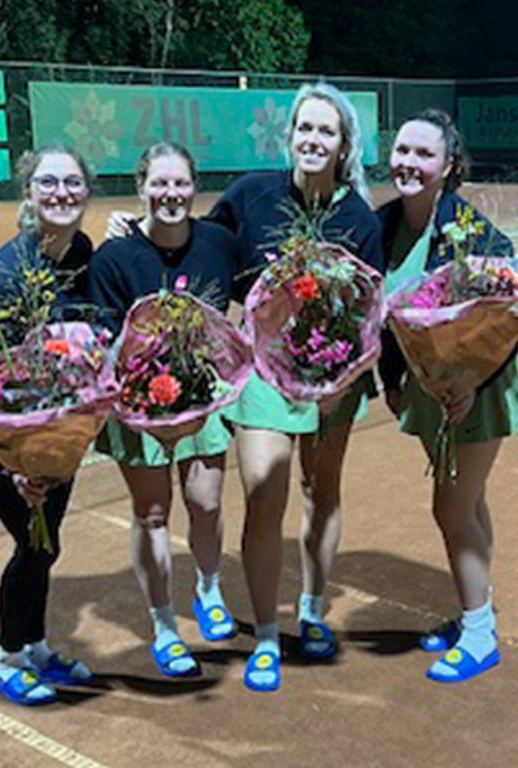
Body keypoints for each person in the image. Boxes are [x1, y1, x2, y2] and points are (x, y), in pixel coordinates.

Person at [111, 83, 383, 691]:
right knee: (264, 493)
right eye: (305, 128)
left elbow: (371, 312)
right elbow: (193, 242)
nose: (313, 139)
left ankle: (312, 609)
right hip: (264, 374)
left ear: (344, 146)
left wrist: (343, 382)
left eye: (326, 131)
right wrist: (135, 230)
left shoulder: (360, 219)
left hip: (336, 381)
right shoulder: (252, 194)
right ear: (290, 136)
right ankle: (265, 636)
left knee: (321, 489)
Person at [376, 109, 518, 683]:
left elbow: (510, 314)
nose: (409, 163)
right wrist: (391, 381)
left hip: (478, 390)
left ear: (448, 167)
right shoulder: (383, 224)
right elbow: (380, 316)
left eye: (424, 154)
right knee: (469, 503)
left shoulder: (471, 229)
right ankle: (475, 610)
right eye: (403, 150)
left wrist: (470, 381)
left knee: (451, 508)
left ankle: (478, 632)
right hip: (429, 392)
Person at [87, 142, 243, 678]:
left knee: (206, 503)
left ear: (195, 187)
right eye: (159, 183)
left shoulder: (219, 244)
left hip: (203, 392)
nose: (170, 194)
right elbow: (103, 340)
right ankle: (163, 626)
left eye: (180, 183)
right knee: (152, 513)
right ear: (141, 189)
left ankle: (209, 590)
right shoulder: (113, 258)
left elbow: (256, 296)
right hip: (137, 402)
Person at [0, 145, 98, 705]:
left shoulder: (82, 252)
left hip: (58, 418)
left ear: (87, 191)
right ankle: (8, 658)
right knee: (31, 543)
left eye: (72, 182)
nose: (62, 192)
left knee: (47, 543)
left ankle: (36, 647)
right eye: (48, 182)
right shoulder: (6, 272)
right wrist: (16, 464)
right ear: (29, 192)